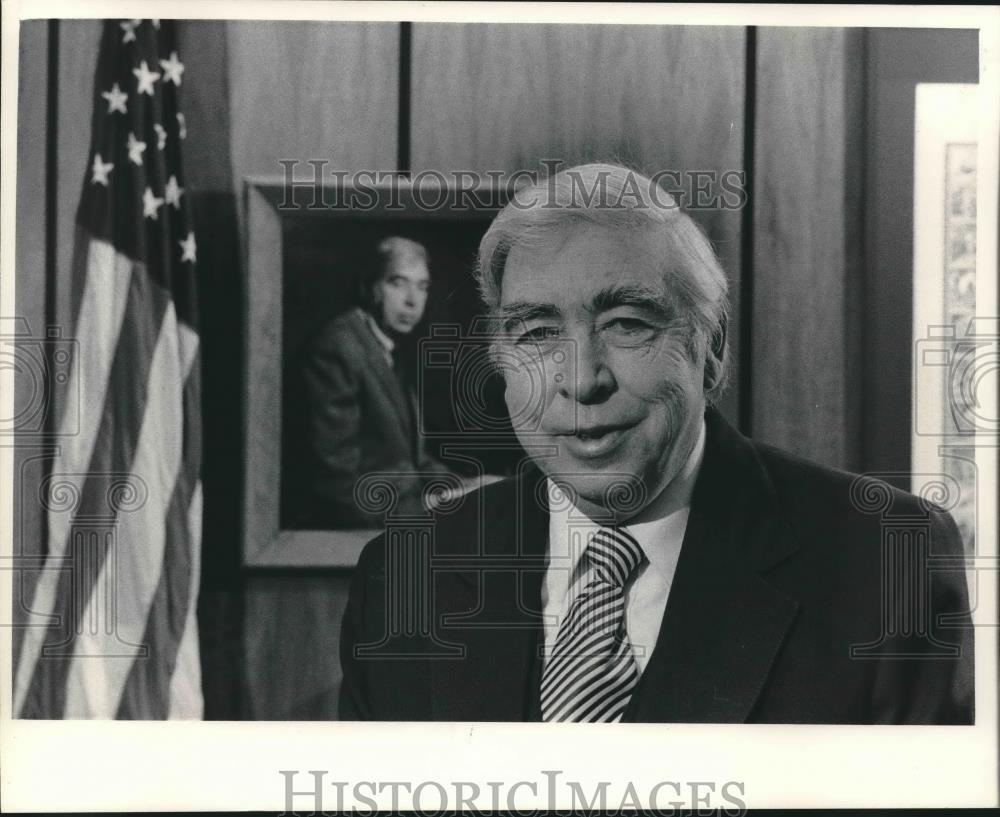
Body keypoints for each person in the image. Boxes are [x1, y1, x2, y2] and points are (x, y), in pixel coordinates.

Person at [339, 164, 974, 723]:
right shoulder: (402, 576)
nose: (582, 379)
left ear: (712, 346)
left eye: (627, 325)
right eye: (535, 332)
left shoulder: (887, 565)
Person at [293, 236, 452, 528]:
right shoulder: (337, 348)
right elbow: (336, 485)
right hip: (344, 541)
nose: (412, 300)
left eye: (422, 286)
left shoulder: (380, 345)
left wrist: (465, 489)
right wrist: (428, 508)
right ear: (370, 286)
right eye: (397, 283)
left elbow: (409, 462)